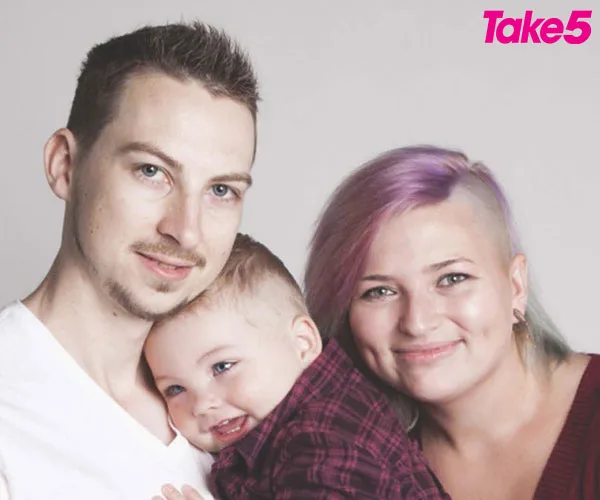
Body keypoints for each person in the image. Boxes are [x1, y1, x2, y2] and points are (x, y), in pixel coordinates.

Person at [0, 22, 259, 500]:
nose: (185, 230)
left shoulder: (243, 401)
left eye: (221, 190)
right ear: (65, 165)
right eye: (151, 171)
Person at [304, 145, 599, 500]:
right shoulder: (342, 456)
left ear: (516, 286)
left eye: (452, 278)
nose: (417, 322)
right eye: (379, 292)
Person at [145, 233, 450, 500]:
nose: (201, 405)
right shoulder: (290, 421)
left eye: (222, 367)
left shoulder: (324, 438)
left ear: (302, 343)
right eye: (175, 389)